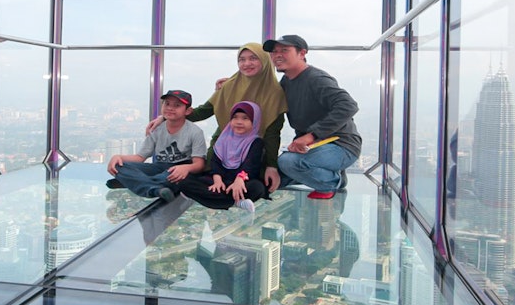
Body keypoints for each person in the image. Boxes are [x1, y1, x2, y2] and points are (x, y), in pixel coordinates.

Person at [148, 43, 286, 193]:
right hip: (221, 151)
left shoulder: (275, 93)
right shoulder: (228, 86)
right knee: (202, 179)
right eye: (241, 59)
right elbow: (202, 112)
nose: (246, 64)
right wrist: (165, 117)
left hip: (252, 154)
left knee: (255, 187)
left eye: (253, 58)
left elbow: (273, 134)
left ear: (265, 61)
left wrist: (271, 166)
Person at [263, 34, 361, 200]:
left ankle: (333, 182)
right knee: (269, 180)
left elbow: (349, 105)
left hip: (341, 145)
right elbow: (265, 96)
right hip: (312, 147)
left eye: (284, 50)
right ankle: (318, 174)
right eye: (274, 52)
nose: (277, 55)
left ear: (302, 53)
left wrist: (311, 136)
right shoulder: (286, 82)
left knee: (288, 162)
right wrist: (232, 83)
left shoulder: (316, 78)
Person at [106, 89, 206, 202]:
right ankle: (149, 186)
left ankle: (138, 184)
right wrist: (118, 157)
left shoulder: (195, 132)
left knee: (171, 178)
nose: (170, 108)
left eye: (177, 105)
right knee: (120, 166)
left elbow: (200, 165)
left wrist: (186, 168)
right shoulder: (157, 129)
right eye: (167, 104)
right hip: (159, 166)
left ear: (188, 111)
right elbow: (140, 157)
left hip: (179, 169)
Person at [180, 101, 267, 213]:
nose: (239, 122)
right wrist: (217, 181)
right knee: (185, 182)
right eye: (235, 118)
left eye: (245, 118)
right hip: (220, 180)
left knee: (257, 187)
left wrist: (239, 180)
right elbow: (215, 161)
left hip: (242, 181)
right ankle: (235, 202)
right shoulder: (224, 138)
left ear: (254, 121)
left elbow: (251, 165)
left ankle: (215, 200)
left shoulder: (256, 142)